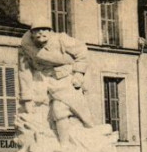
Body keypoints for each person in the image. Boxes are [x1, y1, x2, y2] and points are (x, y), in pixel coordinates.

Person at [18, 17, 94, 145]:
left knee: (81, 113)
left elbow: (82, 51)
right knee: (57, 111)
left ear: (50, 31)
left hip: (66, 80)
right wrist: (27, 98)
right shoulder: (26, 47)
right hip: (44, 82)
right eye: (37, 30)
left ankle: (91, 136)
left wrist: (79, 74)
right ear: (31, 33)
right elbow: (23, 71)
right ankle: (63, 145)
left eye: (44, 29)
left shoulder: (61, 39)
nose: (41, 33)